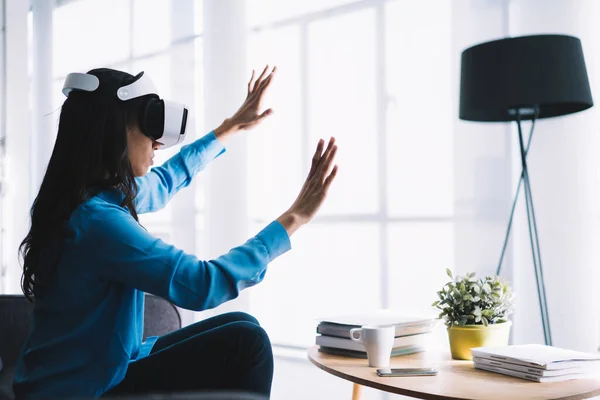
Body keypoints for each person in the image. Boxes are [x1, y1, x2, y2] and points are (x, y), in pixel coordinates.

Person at [12, 65, 338, 399]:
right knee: (248, 344)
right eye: (148, 126)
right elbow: (200, 284)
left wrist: (230, 127)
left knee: (243, 325)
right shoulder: (96, 220)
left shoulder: (84, 195)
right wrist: (294, 218)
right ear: (114, 131)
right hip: (84, 390)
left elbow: (166, 180)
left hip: (100, 369)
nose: (157, 142)